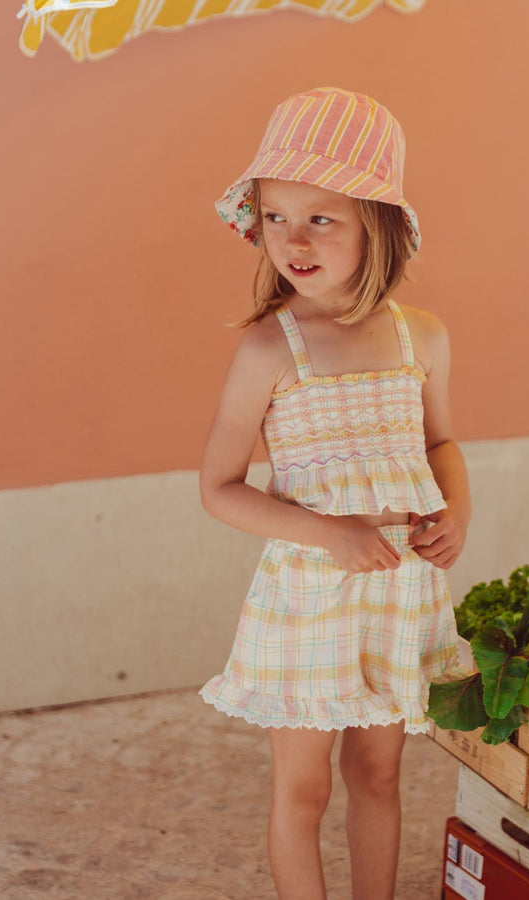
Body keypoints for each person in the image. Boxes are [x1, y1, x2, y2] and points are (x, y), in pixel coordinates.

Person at [199, 86, 471, 900]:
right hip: (309, 602)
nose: (293, 240)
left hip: (396, 591)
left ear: (376, 224)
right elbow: (219, 489)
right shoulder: (268, 350)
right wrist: (331, 534)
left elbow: (440, 444)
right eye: (276, 216)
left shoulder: (421, 337)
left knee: (378, 775)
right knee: (305, 789)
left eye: (321, 217)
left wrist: (456, 508)